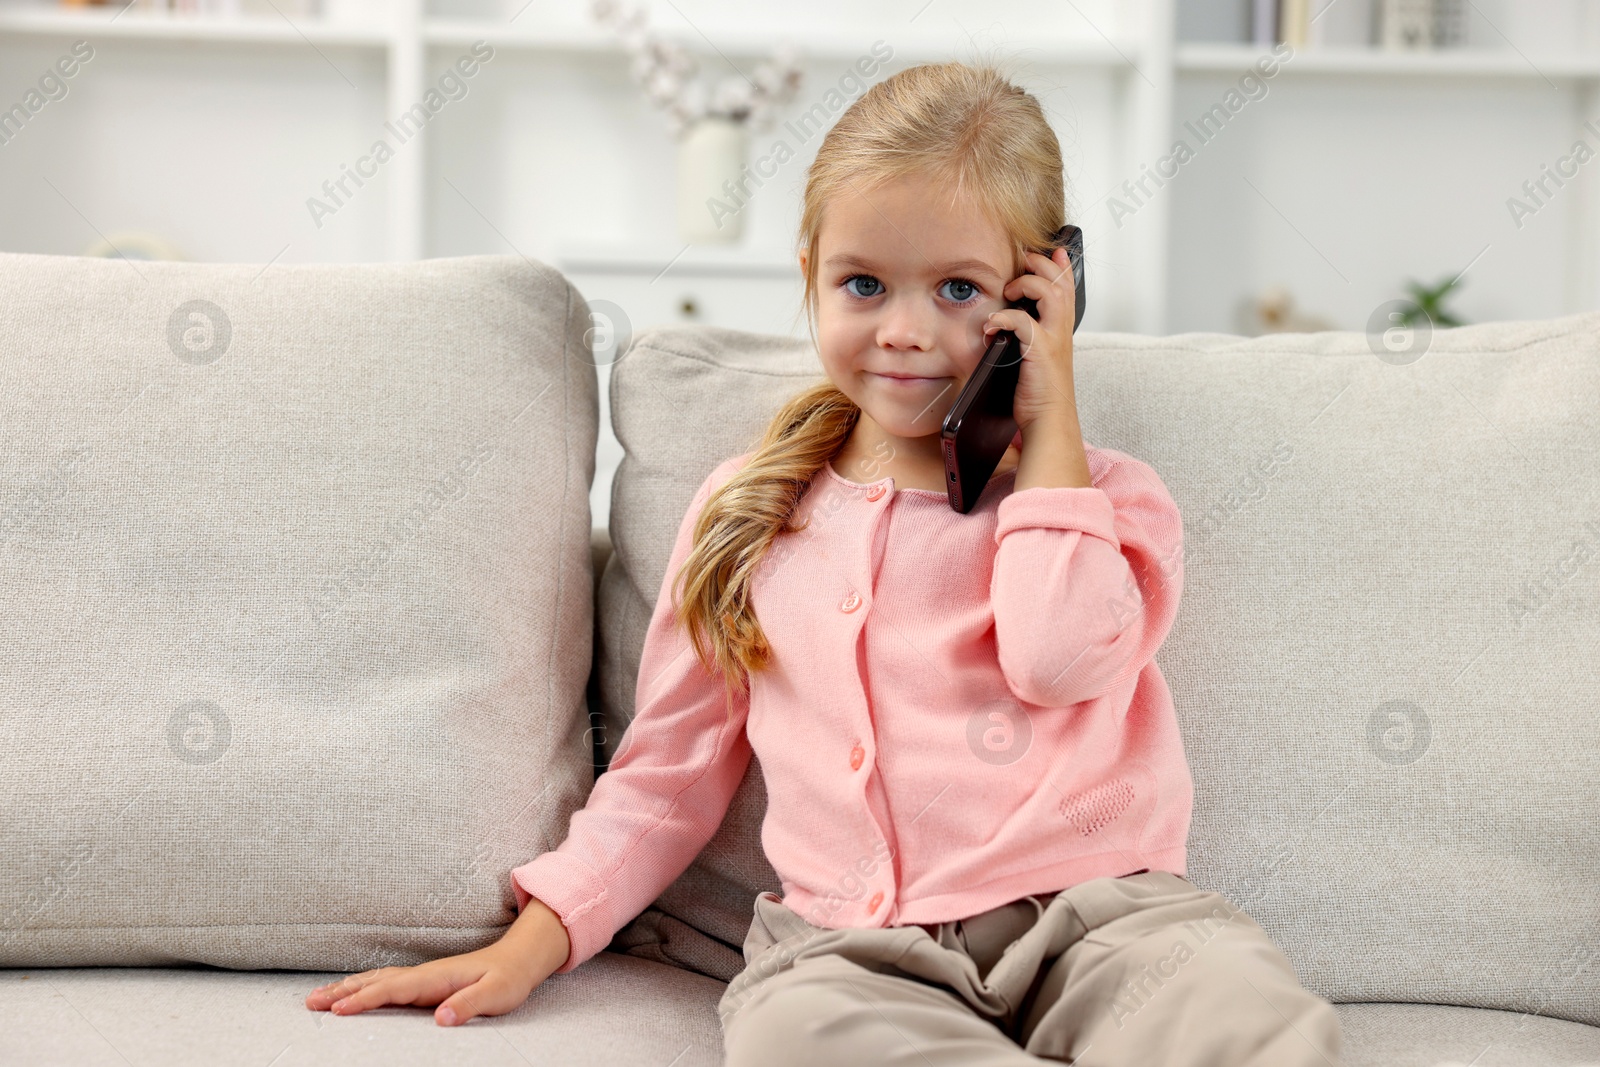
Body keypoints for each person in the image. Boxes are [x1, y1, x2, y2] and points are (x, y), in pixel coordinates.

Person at [304, 58, 1345, 1066]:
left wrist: (1051, 412)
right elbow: (664, 775)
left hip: (1106, 919)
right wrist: (531, 944)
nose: (903, 331)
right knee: (794, 1034)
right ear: (810, 279)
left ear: (1042, 295)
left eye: (956, 289)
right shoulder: (750, 511)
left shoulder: (1105, 500)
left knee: (1242, 1013)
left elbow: (1054, 656)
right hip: (854, 947)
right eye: (863, 283)